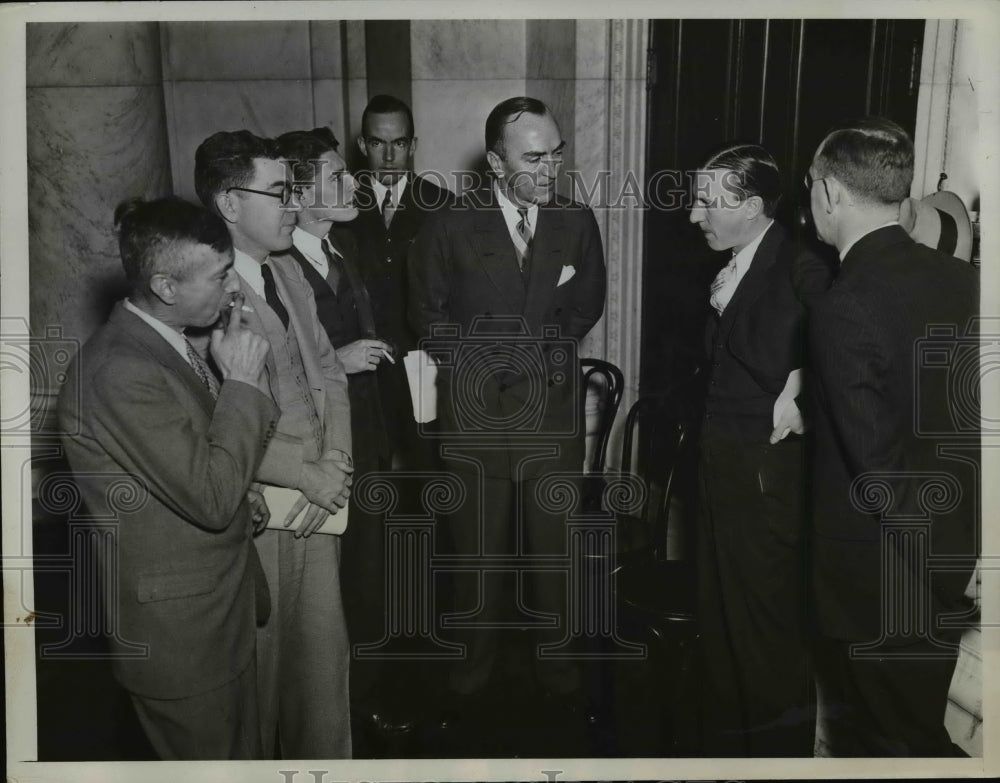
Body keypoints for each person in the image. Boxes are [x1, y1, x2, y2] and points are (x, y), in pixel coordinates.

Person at [409, 96, 607, 724]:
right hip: (478, 415)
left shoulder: (575, 219)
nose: (550, 169)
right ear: (496, 163)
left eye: (557, 155)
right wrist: (485, 366)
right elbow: (428, 317)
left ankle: (561, 677)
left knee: (555, 558)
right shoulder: (449, 225)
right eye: (533, 158)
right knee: (477, 559)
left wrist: (537, 354)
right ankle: (470, 682)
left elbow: (587, 304)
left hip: (551, 410)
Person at [57, 197, 276, 759]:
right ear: (166, 286)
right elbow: (210, 497)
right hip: (182, 640)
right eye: (220, 275)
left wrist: (242, 493)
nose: (233, 287)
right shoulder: (120, 370)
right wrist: (241, 383)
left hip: (213, 617)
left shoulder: (164, 342)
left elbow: (191, 467)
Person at [806, 117, 979, 756]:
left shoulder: (843, 304)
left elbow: (878, 471)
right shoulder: (965, 282)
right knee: (916, 731)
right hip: (949, 558)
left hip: (880, 582)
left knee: (893, 747)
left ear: (829, 192)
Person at [194, 130, 354, 759]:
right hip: (260, 506)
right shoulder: (207, 296)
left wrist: (336, 463)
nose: (295, 205)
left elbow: (330, 372)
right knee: (259, 675)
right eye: (280, 192)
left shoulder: (287, 272)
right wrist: (306, 474)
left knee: (323, 670)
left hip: (321, 499)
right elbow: (214, 418)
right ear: (230, 204)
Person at [689, 143, 831, 756]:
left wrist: (806, 385)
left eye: (706, 202)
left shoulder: (801, 267)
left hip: (765, 490)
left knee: (766, 642)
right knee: (722, 631)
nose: (694, 215)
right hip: (721, 477)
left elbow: (840, 345)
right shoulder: (737, 262)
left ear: (750, 206)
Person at [274, 127, 411, 738]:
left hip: (367, 438)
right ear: (300, 196)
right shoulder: (278, 266)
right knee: (330, 585)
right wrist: (340, 357)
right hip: (321, 448)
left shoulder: (343, 247)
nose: (354, 182)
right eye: (337, 176)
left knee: (370, 569)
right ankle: (338, 711)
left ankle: (366, 701)